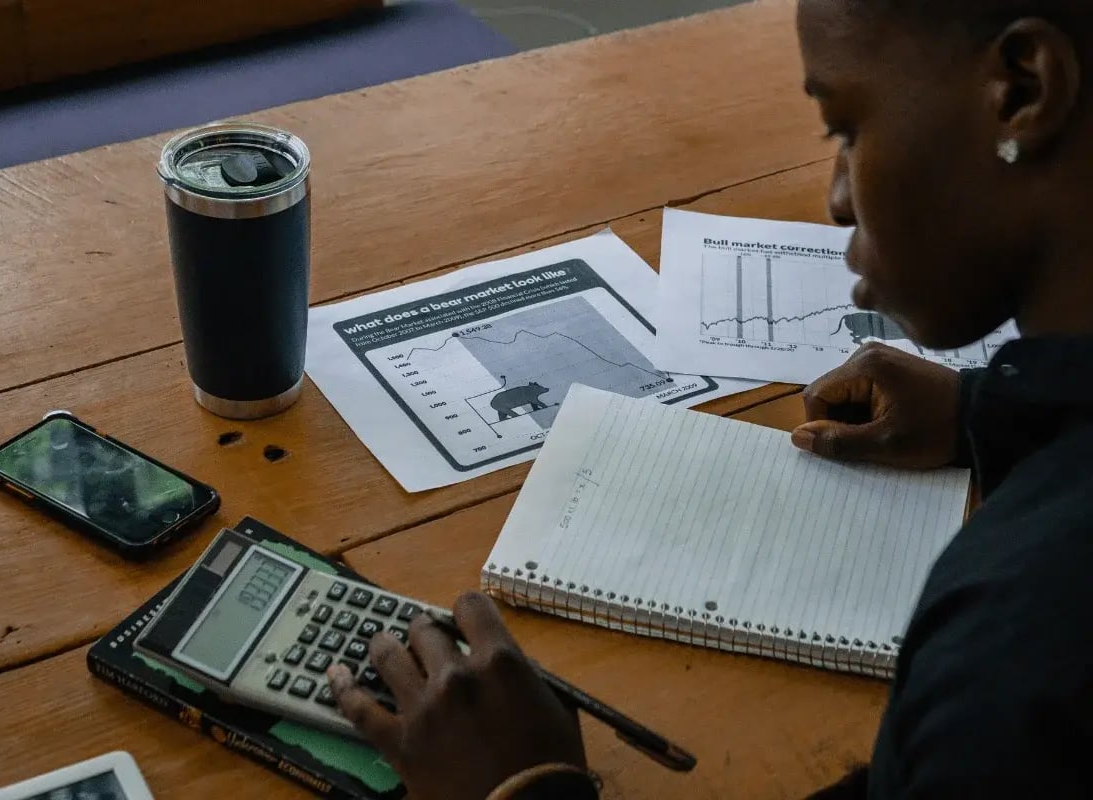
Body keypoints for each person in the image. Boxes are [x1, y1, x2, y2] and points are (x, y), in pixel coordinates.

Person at [326, 0, 1093, 796]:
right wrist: (989, 413)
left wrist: (526, 786)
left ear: (1022, 89)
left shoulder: (1015, 662)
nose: (837, 195)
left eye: (847, 130)